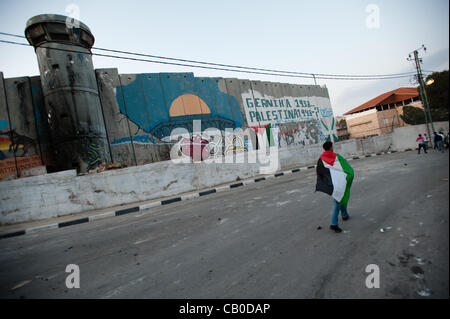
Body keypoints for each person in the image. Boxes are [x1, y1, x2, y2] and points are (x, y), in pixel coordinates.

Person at [316, 141, 354, 233]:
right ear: (331, 148)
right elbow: (346, 168)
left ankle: (344, 215)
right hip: (339, 182)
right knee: (338, 201)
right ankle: (333, 224)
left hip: (331, 183)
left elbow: (318, 172)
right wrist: (349, 175)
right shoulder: (336, 156)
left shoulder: (321, 159)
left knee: (341, 197)